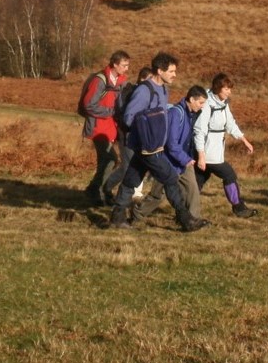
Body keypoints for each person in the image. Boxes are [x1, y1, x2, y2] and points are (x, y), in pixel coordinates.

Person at [109, 52, 206, 232]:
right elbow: (129, 118)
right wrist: (147, 130)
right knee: (170, 178)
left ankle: (117, 216)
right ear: (160, 71)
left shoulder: (163, 90)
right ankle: (186, 219)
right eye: (171, 71)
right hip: (147, 148)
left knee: (131, 179)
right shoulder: (144, 90)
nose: (174, 75)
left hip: (153, 147)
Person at [133, 85, 208, 226]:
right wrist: (185, 159)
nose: (202, 106)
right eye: (200, 102)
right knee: (157, 195)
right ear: (192, 99)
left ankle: (193, 219)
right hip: (168, 162)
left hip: (183, 161)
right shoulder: (176, 113)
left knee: (192, 189)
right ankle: (137, 214)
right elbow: (171, 143)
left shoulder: (191, 114)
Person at [193, 73, 258, 218]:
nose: (230, 92)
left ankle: (185, 209)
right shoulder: (207, 105)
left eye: (230, 89)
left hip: (215, 151)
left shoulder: (223, 103)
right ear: (218, 88)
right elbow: (199, 130)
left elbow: (230, 124)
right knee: (229, 174)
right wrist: (201, 155)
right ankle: (239, 208)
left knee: (198, 180)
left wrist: (244, 140)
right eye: (226, 89)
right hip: (208, 151)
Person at [81, 50, 130, 206]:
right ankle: (96, 190)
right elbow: (89, 105)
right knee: (110, 159)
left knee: (105, 161)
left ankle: (96, 191)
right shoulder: (100, 80)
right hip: (98, 128)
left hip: (110, 128)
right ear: (115, 64)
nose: (127, 68)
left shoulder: (121, 82)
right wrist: (111, 112)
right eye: (124, 65)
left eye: (127, 65)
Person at [102, 66, 152, 205]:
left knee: (130, 166)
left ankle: (109, 188)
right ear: (142, 78)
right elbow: (126, 117)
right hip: (128, 134)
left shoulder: (148, 93)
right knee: (129, 167)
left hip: (141, 135)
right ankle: (117, 194)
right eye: (150, 79)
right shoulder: (130, 92)